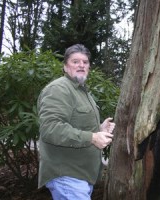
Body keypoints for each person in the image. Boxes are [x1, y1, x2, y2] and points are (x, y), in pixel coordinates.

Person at [37, 44, 115, 199]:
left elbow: (75, 126)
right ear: (65, 67)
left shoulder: (82, 91)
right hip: (67, 176)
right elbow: (50, 129)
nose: (81, 65)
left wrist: (99, 130)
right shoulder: (59, 89)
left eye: (85, 62)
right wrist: (93, 138)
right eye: (75, 61)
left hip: (80, 176)